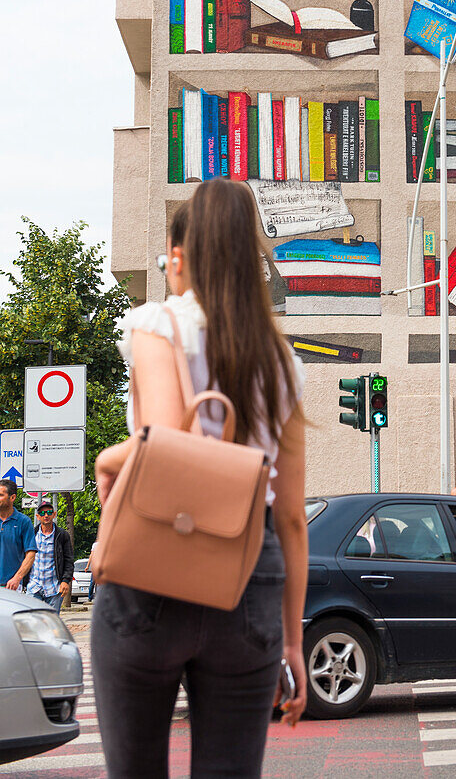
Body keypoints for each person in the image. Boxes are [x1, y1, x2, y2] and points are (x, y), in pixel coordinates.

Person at [92, 180, 308, 779]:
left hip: (152, 570)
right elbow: (291, 516)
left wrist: (110, 460)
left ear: (181, 258)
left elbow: (165, 444)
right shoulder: (280, 358)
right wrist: (292, 645)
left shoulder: (157, 325)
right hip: (249, 576)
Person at [26, 502, 74, 613]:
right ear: (38, 516)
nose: (46, 515)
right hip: (34, 587)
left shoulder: (62, 535)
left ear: (54, 514)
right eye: (42, 513)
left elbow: (69, 560)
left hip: (54, 588)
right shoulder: (32, 534)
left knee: (51, 624)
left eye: (49, 512)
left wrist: (65, 581)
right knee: (33, 622)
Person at [0, 479, 36, 591]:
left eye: (1, 495)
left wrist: (17, 577)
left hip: (11, 586)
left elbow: (30, 554)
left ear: (12, 498)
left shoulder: (23, 521)